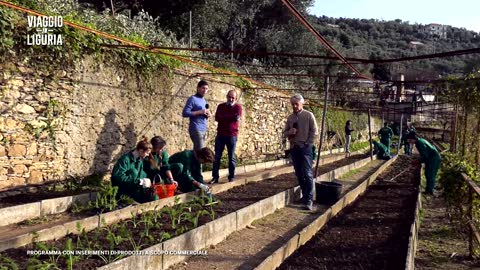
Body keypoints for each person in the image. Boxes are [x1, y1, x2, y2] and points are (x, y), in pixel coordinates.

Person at [282, 94, 318, 210]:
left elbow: (314, 131)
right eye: (293, 104)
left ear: (302, 103)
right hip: (295, 148)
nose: (295, 106)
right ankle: (305, 195)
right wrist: (289, 132)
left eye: (296, 104)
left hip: (306, 148)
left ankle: (309, 200)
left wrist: (308, 142)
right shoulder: (290, 118)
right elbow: (285, 132)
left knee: (307, 173)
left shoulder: (308, 115)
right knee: (299, 173)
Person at [210, 90, 243, 184]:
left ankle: (231, 177)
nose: (231, 99)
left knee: (231, 157)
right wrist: (230, 117)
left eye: (233, 97)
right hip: (220, 134)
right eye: (229, 97)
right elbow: (217, 118)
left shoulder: (238, 107)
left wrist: (224, 117)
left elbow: (236, 118)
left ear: (236, 98)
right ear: (226, 96)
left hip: (232, 135)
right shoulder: (220, 106)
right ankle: (215, 177)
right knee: (216, 157)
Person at [111, 137, 157, 203]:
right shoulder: (125, 160)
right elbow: (117, 177)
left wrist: (147, 183)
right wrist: (138, 181)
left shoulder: (139, 160)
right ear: (141, 151)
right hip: (123, 191)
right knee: (135, 204)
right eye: (147, 153)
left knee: (153, 197)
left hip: (135, 189)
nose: (147, 155)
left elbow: (141, 175)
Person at [182, 80, 211, 150]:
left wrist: (207, 115)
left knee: (197, 153)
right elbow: (185, 113)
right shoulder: (192, 99)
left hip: (203, 129)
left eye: (206, 89)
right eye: (203, 88)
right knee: (201, 152)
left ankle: (194, 161)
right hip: (196, 128)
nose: (205, 90)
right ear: (198, 88)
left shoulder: (204, 100)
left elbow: (202, 114)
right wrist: (199, 112)